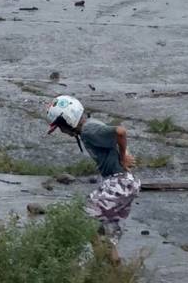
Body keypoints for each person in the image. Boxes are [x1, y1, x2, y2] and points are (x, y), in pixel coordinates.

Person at [46, 95, 140, 257]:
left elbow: (120, 131)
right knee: (107, 232)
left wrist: (123, 156)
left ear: (69, 120)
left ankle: (99, 262)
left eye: (61, 127)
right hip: (124, 182)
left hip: (119, 182)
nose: (62, 131)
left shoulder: (89, 130)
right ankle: (114, 269)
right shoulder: (89, 127)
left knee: (83, 217)